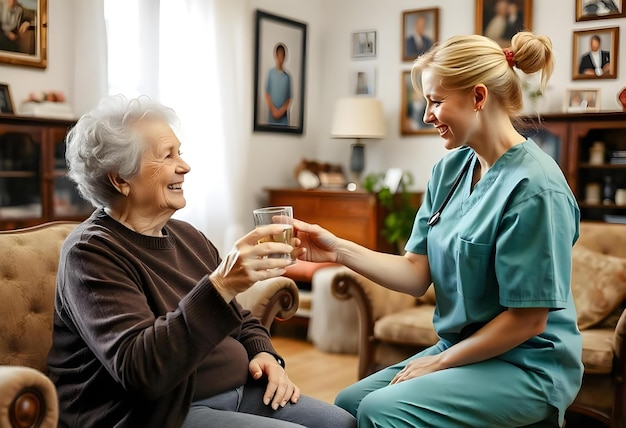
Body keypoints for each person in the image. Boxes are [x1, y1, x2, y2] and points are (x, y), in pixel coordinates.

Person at [293, 32, 583, 427]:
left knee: (381, 409)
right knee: (349, 402)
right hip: (463, 348)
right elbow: (415, 273)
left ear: (478, 97)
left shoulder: (535, 188)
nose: (427, 115)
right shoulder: (449, 170)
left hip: (528, 364)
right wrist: (336, 250)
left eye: (436, 101)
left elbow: (528, 320)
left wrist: (439, 362)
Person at [46, 95, 356, 428]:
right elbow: (141, 370)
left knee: (342, 423)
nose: (184, 166)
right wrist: (222, 283)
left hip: (238, 391)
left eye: (180, 152)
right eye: (168, 156)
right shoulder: (91, 253)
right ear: (120, 179)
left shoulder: (186, 236)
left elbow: (240, 317)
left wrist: (263, 352)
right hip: (160, 413)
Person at [264, 43, 292, 125]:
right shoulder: (271, 73)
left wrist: (280, 111)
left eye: (282, 56)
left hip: (284, 120)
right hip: (272, 119)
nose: (280, 58)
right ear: (275, 56)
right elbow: (267, 94)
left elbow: (289, 99)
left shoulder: (287, 77)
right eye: (279, 55)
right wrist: (274, 111)